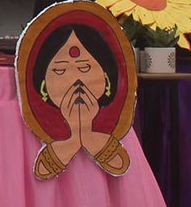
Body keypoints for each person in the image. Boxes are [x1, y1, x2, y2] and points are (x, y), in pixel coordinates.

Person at [29, 22, 130, 178]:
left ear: (106, 76)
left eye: (84, 68)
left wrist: (86, 132)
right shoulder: (44, 123)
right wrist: (75, 137)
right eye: (60, 70)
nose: (76, 81)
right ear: (43, 84)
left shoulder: (114, 121)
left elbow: (119, 164)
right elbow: (43, 170)